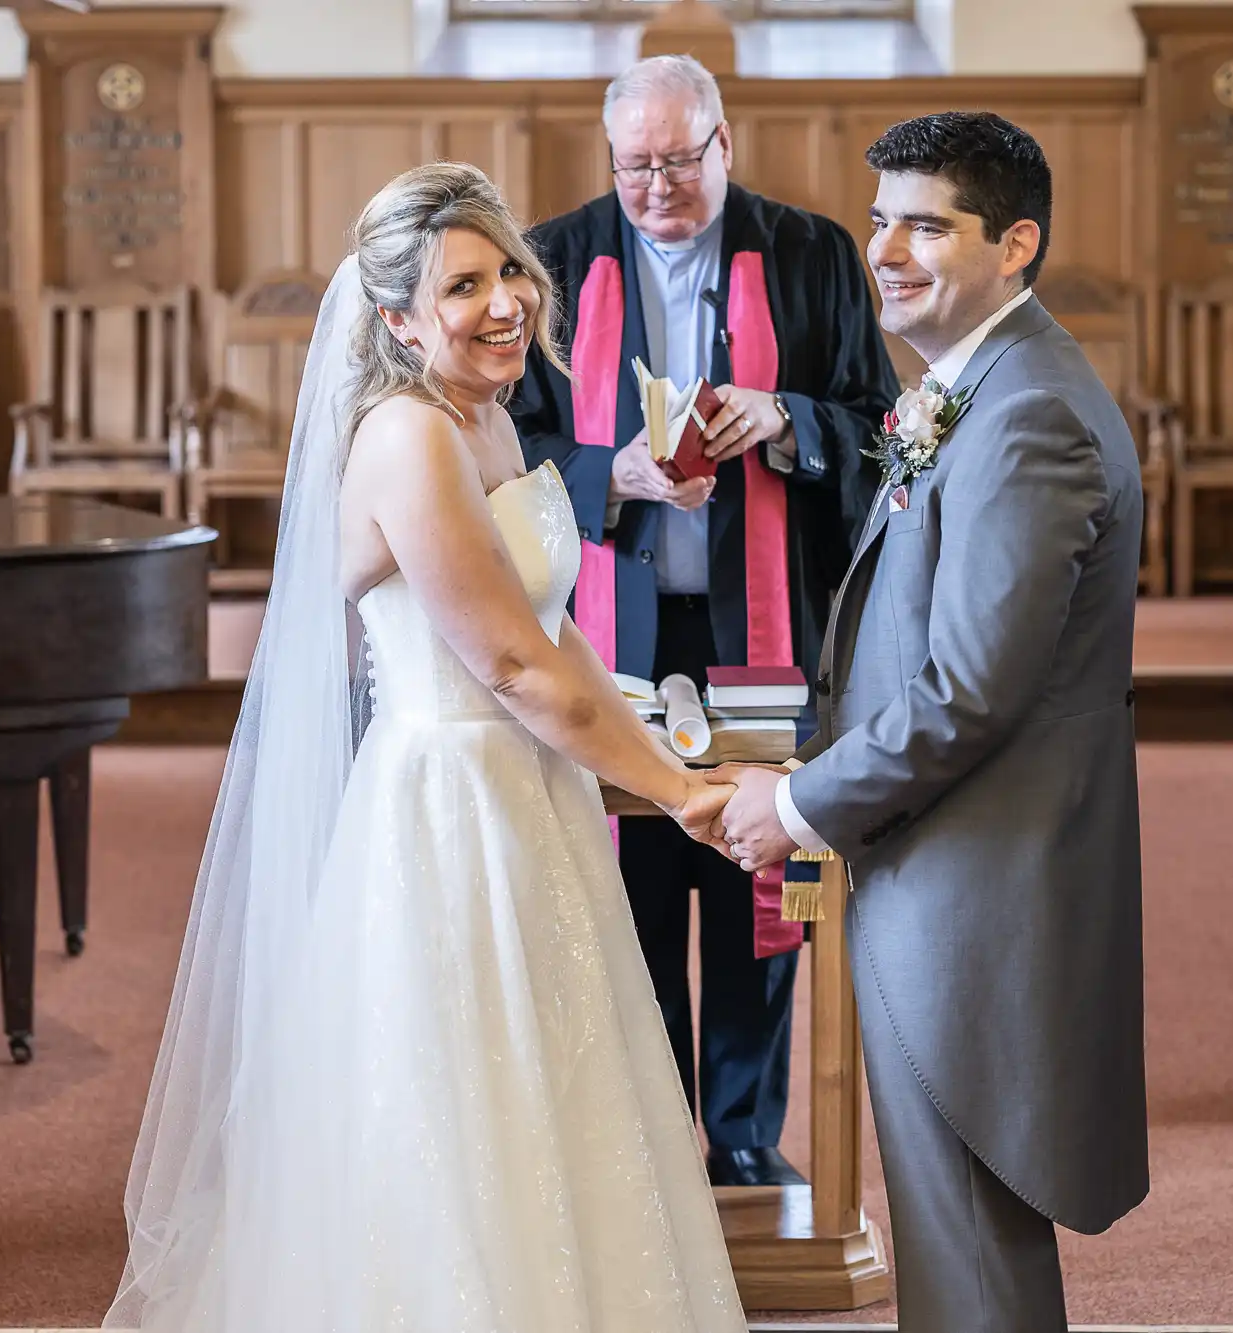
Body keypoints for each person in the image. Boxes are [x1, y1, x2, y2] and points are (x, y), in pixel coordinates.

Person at [106, 162, 747, 1333]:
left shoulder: (487, 417)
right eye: (464, 285)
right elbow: (507, 663)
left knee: (552, 1096)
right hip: (451, 808)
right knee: (460, 1107)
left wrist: (648, 723)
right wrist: (681, 793)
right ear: (395, 317)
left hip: (529, 794)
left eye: (510, 269)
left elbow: (548, 636)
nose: (506, 301)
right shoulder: (407, 437)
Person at [713, 112, 1150, 1332]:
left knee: (965, 1245)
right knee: (950, 1245)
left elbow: (970, 689)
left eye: (925, 224)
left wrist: (796, 804)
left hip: (980, 879)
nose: (885, 251)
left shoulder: (1026, 416)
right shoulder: (974, 387)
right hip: (939, 857)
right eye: (877, 221)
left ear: (1015, 244)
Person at [509, 54, 899, 1187]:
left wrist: (789, 421)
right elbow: (505, 447)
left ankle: (739, 1134)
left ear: (723, 145)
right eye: (634, 165)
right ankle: (644, 1143)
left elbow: (880, 430)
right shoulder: (557, 257)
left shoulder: (809, 253)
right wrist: (606, 471)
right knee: (625, 884)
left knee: (753, 874)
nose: (656, 186)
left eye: (678, 160)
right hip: (609, 627)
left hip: (759, 629)